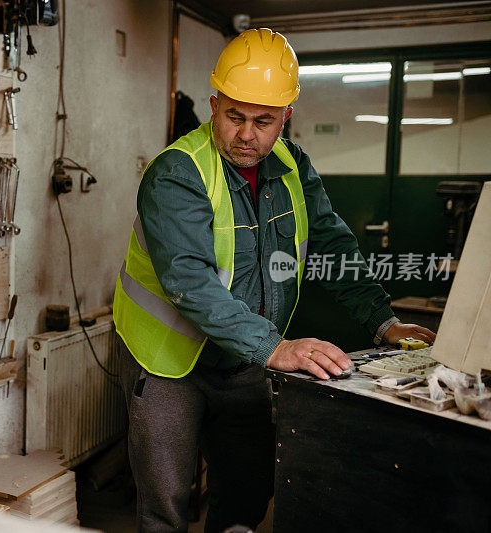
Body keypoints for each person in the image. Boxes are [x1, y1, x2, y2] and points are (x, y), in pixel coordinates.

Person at [112, 28, 436, 533]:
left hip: (243, 361)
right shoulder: (176, 174)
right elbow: (189, 282)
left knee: (245, 495)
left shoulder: (292, 167)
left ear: (286, 116)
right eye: (234, 116)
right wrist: (274, 348)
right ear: (214, 104)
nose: (248, 134)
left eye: (264, 121)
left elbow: (332, 243)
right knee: (165, 509)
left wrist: (383, 321)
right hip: (168, 363)